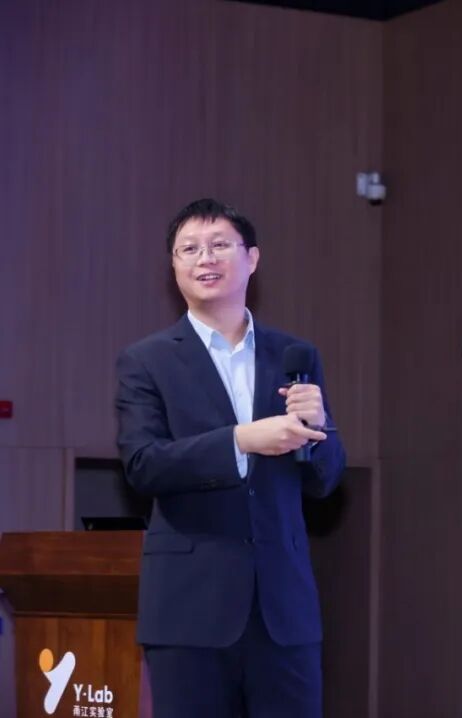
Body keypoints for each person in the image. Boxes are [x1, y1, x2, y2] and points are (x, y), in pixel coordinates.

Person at [115, 198, 345, 718]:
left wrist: (318, 434)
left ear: (252, 259)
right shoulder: (146, 361)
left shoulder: (295, 356)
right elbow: (143, 465)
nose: (205, 258)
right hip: (190, 614)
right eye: (189, 249)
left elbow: (325, 482)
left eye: (220, 245)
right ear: (174, 266)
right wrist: (240, 440)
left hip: (284, 614)